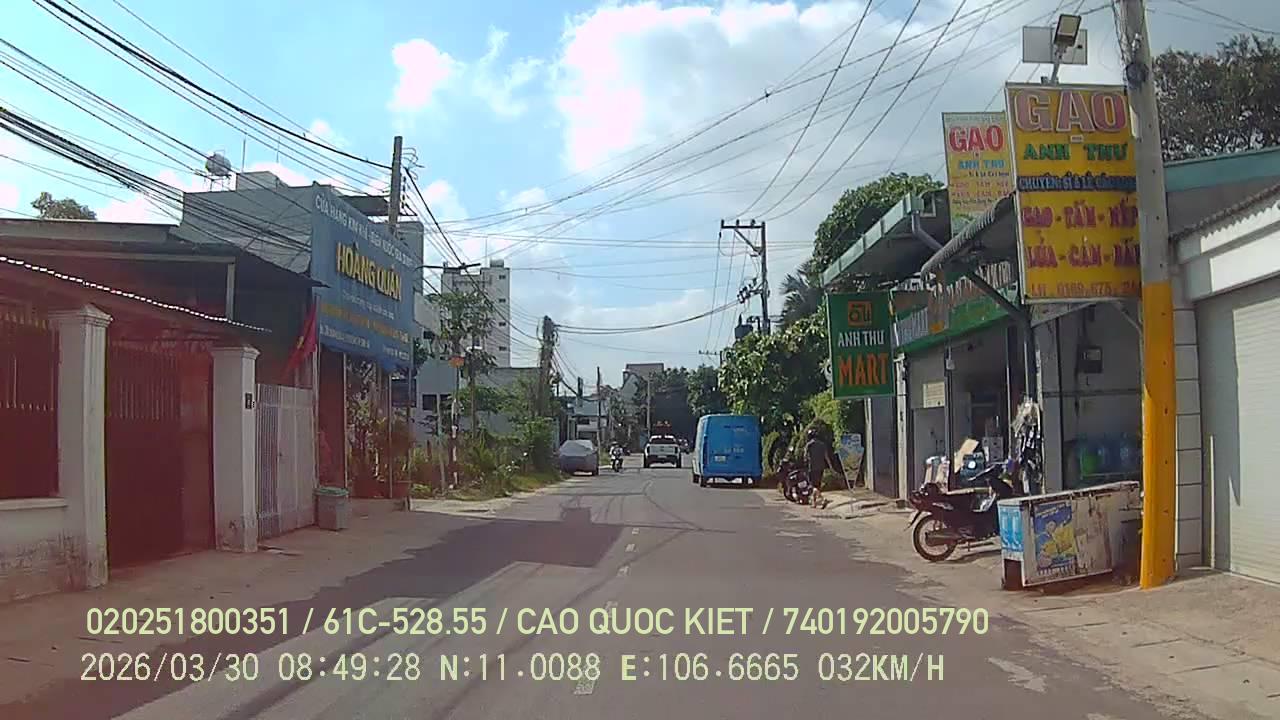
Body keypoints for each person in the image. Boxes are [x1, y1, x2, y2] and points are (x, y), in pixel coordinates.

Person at [803, 427, 844, 510]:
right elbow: (826, 457)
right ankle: (814, 503)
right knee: (817, 485)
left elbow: (805, 457)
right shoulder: (822, 444)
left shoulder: (809, 445)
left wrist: (806, 462)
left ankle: (822, 499)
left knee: (812, 486)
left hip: (812, 468)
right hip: (821, 467)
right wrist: (831, 467)